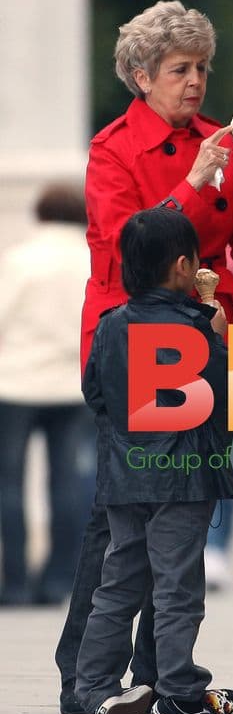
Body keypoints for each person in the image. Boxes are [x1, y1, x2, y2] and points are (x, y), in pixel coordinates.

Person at [55, 0, 233, 714]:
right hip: (139, 337)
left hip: (222, 332)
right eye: (180, 69)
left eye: (203, 68)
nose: (196, 82)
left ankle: (165, 669)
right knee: (122, 509)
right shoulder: (112, 149)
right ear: (141, 76)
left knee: (198, 496)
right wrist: (194, 183)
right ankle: (84, 675)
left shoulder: (222, 140)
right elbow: (125, 255)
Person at [75, 206, 233, 714]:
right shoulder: (199, 324)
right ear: (182, 267)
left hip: (124, 475)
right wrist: (221, 338)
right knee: (177, 586)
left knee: (118, 580)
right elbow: (229, 403)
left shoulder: (108, 325)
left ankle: (97, 687)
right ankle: (179, 690)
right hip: (184, 478)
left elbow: (95, 394)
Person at [0, 184, 95, 606]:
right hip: (71, 386)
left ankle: (15, 584)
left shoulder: (19, 260)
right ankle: (58, 581)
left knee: (10, 485)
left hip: (15, 383)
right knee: (66, 482)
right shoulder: (92, 261)